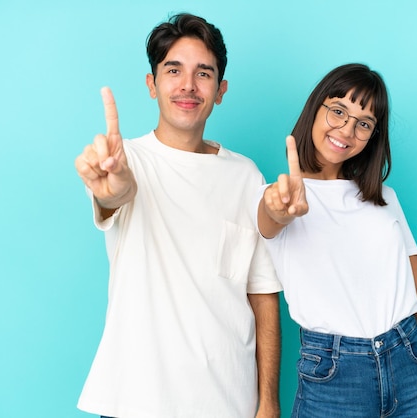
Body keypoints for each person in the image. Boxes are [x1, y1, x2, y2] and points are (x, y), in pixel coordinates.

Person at [74, 13, 282, 418]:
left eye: (203, 73)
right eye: (174, 70)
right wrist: (112, 188)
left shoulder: (246, 175)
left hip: (229, 403)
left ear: (220, 90)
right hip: (133, 401)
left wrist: (268, 402)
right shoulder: (123, 160)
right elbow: (117, 193)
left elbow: (262, 294)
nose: (188, 85)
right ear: (152, 85)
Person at [257, 63, 417, 417]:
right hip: (333, 376)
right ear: (316, 108)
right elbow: (270, 219)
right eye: (338, 111)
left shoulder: (384, 198)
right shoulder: (280, 194)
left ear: (372, 136)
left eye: (363, 123)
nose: (347, 130)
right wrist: (280, 208)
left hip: (411, 360)